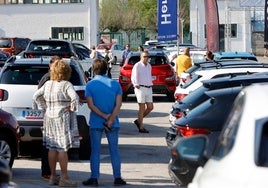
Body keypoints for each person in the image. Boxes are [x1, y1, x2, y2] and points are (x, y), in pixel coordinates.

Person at [33, 59, 79, 187]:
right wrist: (71, 107)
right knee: (63, 148)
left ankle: (52, 176)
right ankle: (64, 177)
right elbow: (75, 98)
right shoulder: (66, 84)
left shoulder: (48, 84)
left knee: (52, 147)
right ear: (66, 71)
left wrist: (45, 108)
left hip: (49, 117)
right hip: (61, 118)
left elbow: (36, 96)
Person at [82, 59, 126, 186]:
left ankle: (94, 178)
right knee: (114, 150)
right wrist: (111, 118)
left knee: (95, 151)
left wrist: (103, 115)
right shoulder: (115, 84)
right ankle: (117, 177)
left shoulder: (90, 85)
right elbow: (119, 104)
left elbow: (91, 105)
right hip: (113, 122)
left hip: (96, 122)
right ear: (106, 69)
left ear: (94, 69)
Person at [38, 55, 61, 181]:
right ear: (50, 65)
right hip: (50, 116)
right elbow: (38, 96)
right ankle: (47, 172)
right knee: (48, 145)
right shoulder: (48, 78)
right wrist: (47, 108)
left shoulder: (54, 78)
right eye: (56, 64)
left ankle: (50, 171)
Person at [131, 51, 153, 133]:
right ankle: (141, 127)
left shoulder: (149, 66)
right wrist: (136, 84)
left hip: (149, 87)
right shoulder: (137, 65)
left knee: (150, 107)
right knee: (142, 107)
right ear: (141, 57)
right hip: (140, 88)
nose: (146, 58)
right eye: (144, 56)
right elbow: (133, 76)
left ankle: (138, 120)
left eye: (147, 56)